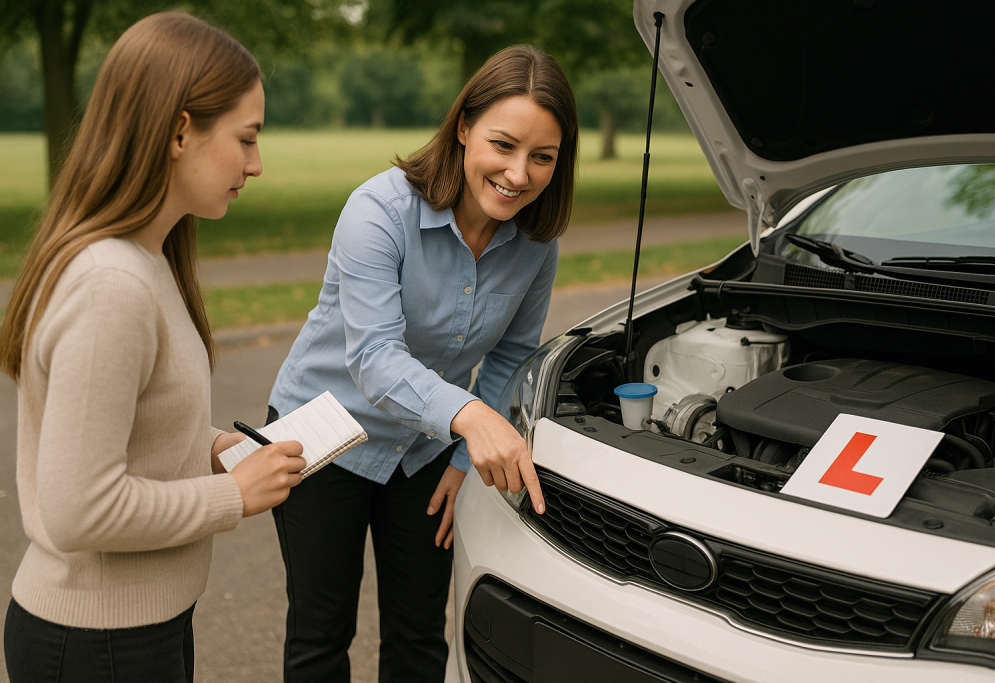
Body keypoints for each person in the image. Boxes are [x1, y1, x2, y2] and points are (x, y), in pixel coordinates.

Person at [0, 12, 306, 683]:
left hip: (134, 629)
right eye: (246, 139)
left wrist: (210, 446)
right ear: (178, 131)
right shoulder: (111, 284)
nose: (256, 164)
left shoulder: (147, 258)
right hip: (96, 645)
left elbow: (117, 425)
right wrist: (232, 494)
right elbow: (82, 506)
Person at [267, 44, 579, 682]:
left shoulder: (536, 244)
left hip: (425, 448)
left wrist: (464, 457)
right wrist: (471, 419)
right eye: (503, 144)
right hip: (322, 438)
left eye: (542, 157)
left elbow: (513, 356)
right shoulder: (377, 210)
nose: (519, 174)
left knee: (419, 638)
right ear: (463, 128)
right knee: (320, 636)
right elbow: (376, 359)